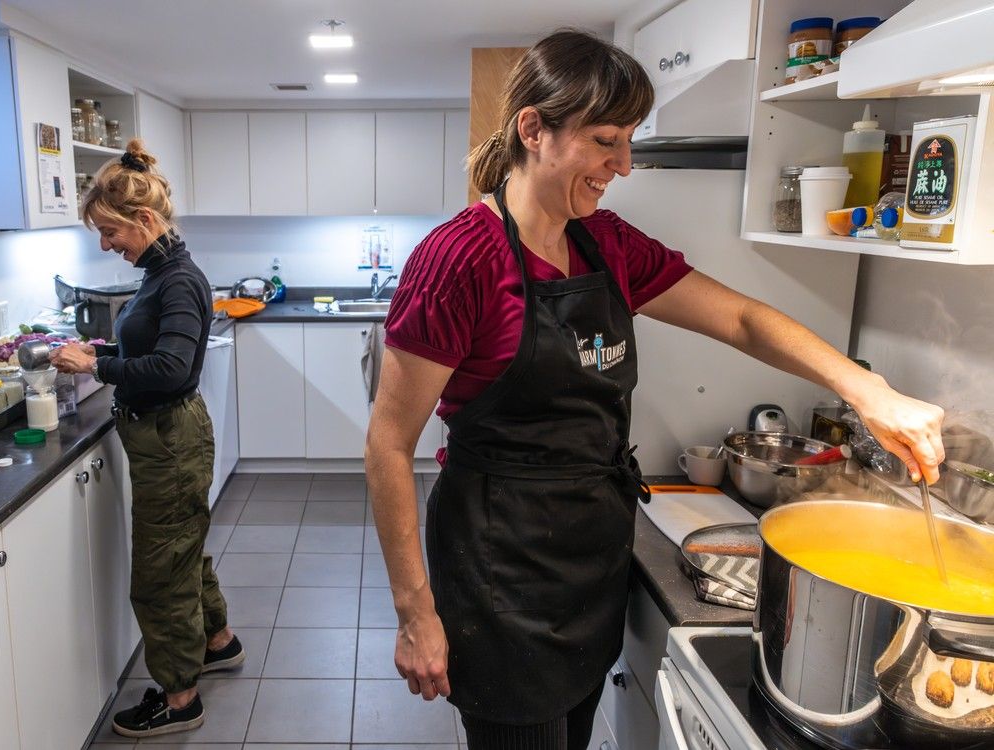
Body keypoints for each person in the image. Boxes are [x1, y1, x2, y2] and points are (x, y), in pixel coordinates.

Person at [364, 29, 946, 749]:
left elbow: (738, 317)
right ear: (533, 129)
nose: (626, 165)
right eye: (608, 140)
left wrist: (864, 388)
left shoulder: (603, 242)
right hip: (499, 575)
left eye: (630, 140)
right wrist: (415, 611)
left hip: (592, 557)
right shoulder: (460, 261)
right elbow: (388, 445)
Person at [50, 139, 244, 739]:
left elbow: (171, 368)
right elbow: (155, 350)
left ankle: (180, 697)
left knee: (161, 571)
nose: (107, 245)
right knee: (183, 547)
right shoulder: (162, 272)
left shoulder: (178, 280)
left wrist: (94, 368)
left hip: (170, 439)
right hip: (167, 436)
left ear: (143, 219)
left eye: (110, 232)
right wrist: (108, 352)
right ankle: (218, 642)